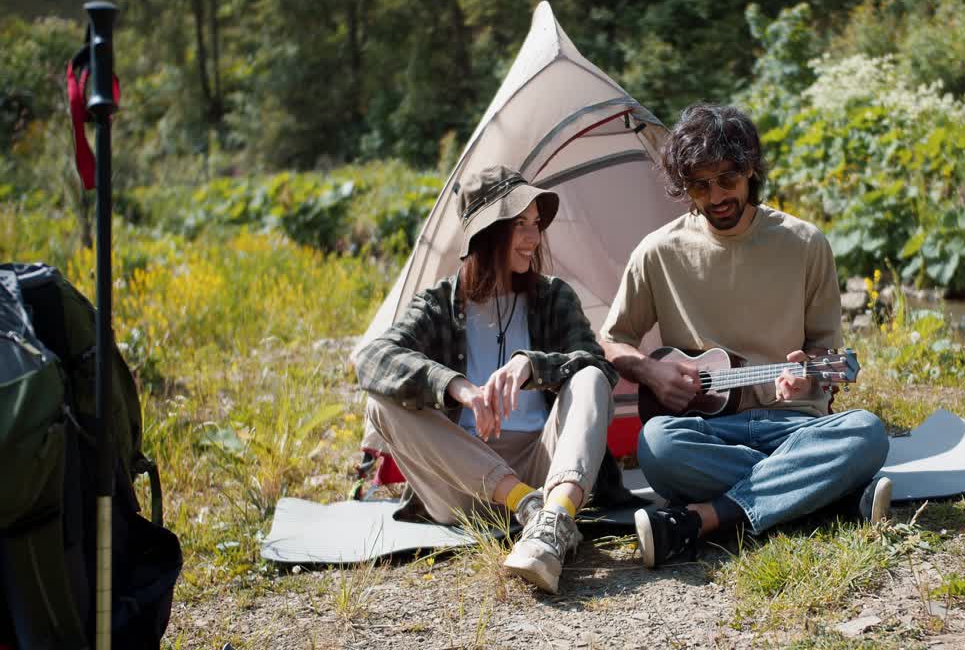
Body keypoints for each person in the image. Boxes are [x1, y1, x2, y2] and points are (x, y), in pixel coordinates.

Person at [600, 103, 892, 569]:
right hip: (708, 433)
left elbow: (824, 350)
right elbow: (612, 340)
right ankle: (830, 495)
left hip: (793, 426)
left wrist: (807, 373)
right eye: (700, 185)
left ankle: (704, 518)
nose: (716, 196)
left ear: (750, 169)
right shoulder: (657, 252)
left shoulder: (805, 243)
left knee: (867, 432)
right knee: (657, 445)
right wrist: (651, 372)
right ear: (684, 187)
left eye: (727, 179)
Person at [354, 165, 615, 593]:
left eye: (536, 224)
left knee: (589, 379)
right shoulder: (440, 302)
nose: (533, 238)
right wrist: (456, 387)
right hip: (461, 481)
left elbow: (598, 365)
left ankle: (552, 522)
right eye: (519, 224)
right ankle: (525, 505)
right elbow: (371, 359)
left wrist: (531, 365)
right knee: (379, 401)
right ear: (487, 232)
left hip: (542, 468)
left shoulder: (553, 296)